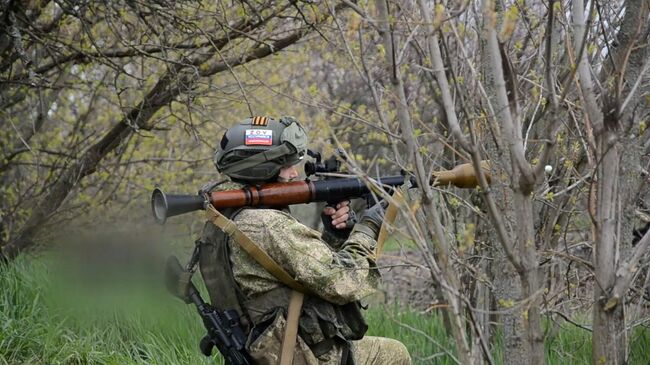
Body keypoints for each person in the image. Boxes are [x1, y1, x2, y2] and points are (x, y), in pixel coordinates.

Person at [196, 115, 411, 365]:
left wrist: (336, 234)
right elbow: (342, 283)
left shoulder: (223, 217)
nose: (295, 172)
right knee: (394, 353)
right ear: (262, 167)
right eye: (287, 165)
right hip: (296, 354)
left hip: (263, 351)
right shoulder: (266, 224)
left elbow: (299, 272)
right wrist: (369, 226)